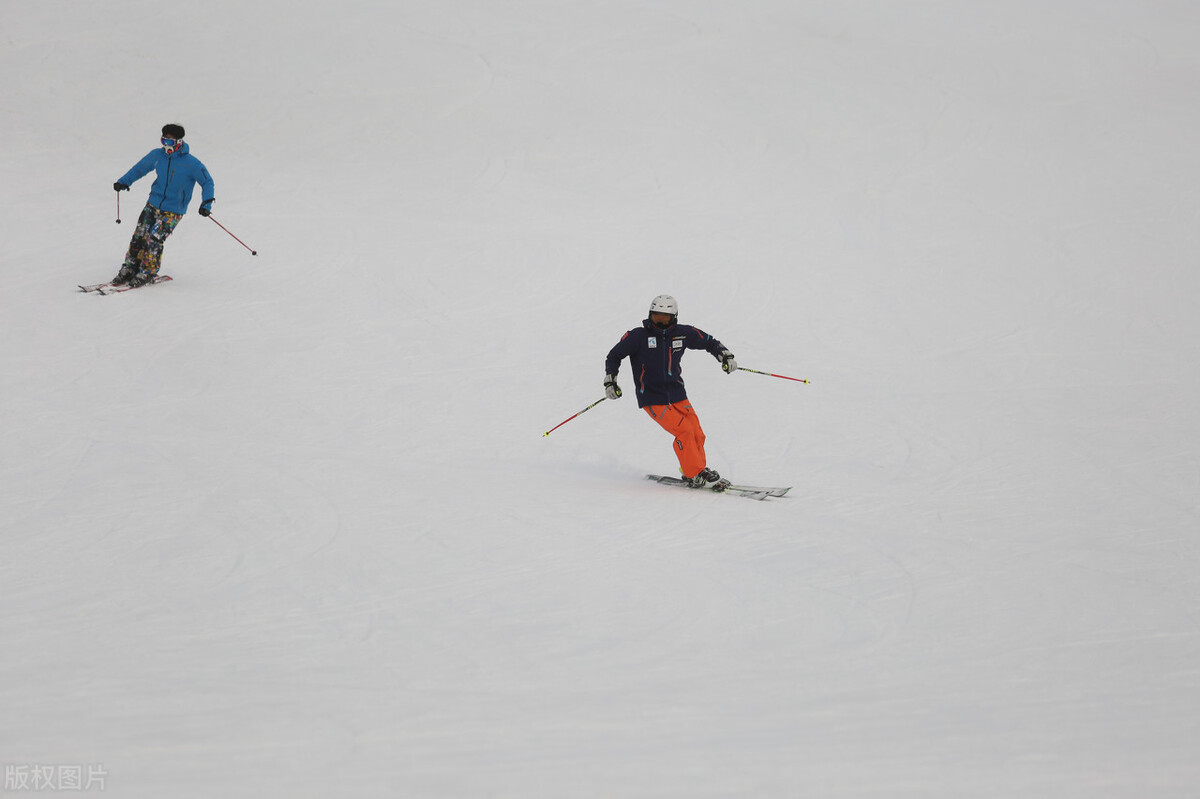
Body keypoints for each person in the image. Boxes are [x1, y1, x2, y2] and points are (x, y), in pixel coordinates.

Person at [604, 295, 738, 489]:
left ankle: (695, 468)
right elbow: (614, 355)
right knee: (684, 431)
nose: (660, 322)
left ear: (674, 317)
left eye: (665, 318)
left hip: (677, 393)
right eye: (656, 316)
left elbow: (709, 342)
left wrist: (725, 356)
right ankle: (694, 474)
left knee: (697, 432)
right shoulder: (638, 336)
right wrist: (610, 380)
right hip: (651, 397)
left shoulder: (682, 333)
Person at [111, 123, 215, 287]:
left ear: (179, 142)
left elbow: (207, 182)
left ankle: (147, 272)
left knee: (154, 239)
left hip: (173, 210)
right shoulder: (157, 155)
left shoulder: (191, 163)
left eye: (170, 142)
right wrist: (123, 182)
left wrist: (206, 204)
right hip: (153, 204)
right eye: (164, 141)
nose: (166, 146)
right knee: (139, 236)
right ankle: (130, 268)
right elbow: (139, 169)